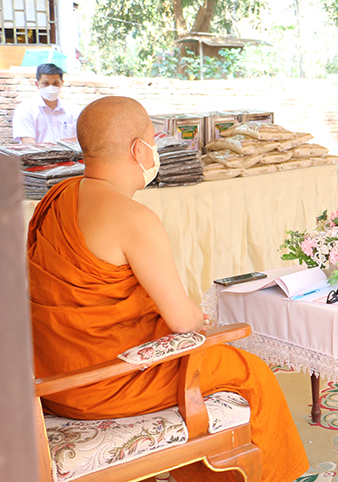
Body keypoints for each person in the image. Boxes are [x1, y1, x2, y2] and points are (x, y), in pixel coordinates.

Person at [27, 96, 308, 482]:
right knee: (251, 371)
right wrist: (196, 318)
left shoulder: (54, 200)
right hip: (109, 383)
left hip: (51, 383)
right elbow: (182, 322)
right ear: (138, 149)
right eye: (153, 141)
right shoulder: (132, 218)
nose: (155, 150)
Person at [12, 63, 82, 144]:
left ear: (62, 83)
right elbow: (28, 143)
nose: (51, 87)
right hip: (36, 153)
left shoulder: (73, 110)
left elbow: (82, 139)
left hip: (69, 153)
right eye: (46, 83)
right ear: (37, 84)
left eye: (55, 83)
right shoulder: (25, 109)